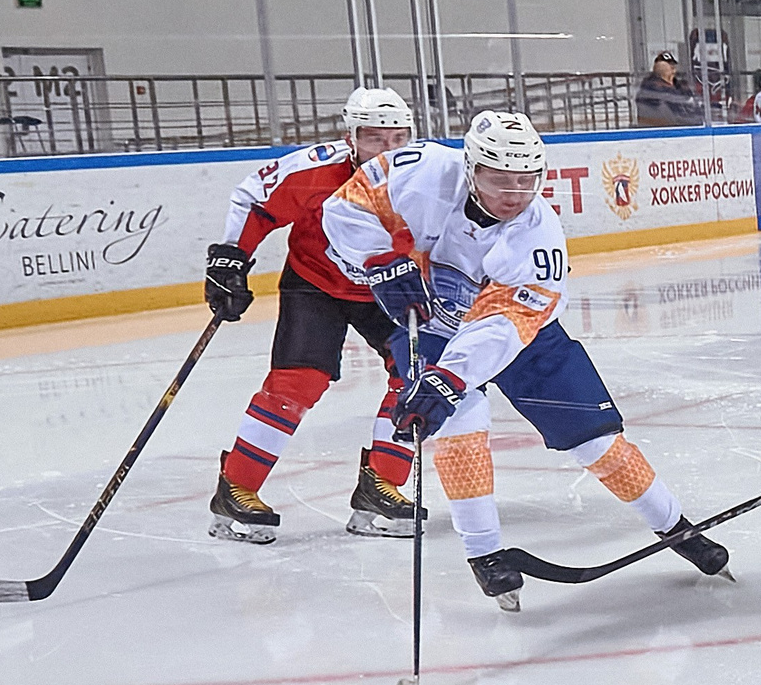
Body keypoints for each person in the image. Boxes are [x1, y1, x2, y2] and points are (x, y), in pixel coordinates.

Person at [321, 111, 732, 609]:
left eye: (527, 182)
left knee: (597, 441)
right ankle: (485, 555)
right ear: (471, 169)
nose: (514, 196)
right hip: (428, 325)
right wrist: (379, 261)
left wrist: (449, 379)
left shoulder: (538, 237)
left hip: (524, 335)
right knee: (459, 434)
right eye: (499, 181)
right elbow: (347, 207)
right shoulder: (424, 169)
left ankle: (677, 529)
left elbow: (503, 327)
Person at [204, 87, 421, 544]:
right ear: (351, 136)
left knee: (414, 373)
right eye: (375, 138)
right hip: (314, 283)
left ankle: (382, 486)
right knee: (297, 382)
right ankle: (237, 488)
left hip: (385, 288)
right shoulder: (314, 170)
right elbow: (254, 201)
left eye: (398, 138)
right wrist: (230, 258)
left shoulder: (425, 176)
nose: (387, 149)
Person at [633, 52, 693, 126]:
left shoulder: (680, 87)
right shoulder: (651, 90)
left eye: (673, 66)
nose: (673, 69)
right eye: (670, 66)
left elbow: (692, 107)